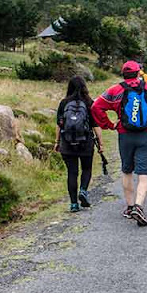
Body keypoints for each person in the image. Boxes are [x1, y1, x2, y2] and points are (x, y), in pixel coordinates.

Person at [91, 60, 147, 226]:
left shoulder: (115, 90)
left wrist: (108, 124)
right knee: (144, 173)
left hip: (124, 134)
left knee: (127, 170)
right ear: (138, 73)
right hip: (145, 134)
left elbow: (96, 106)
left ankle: (129, 207)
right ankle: (139, 206)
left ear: (123, 74)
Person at [54, 76, 103, 213]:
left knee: (72, 172)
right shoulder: (89, 103)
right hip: (85, 143)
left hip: (67, 143)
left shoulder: (64, 103)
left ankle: (74, 204)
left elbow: (59, 124)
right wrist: (101, 143)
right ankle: (83, 190)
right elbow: (95, 125)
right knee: (86, 169)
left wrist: (57, 142)